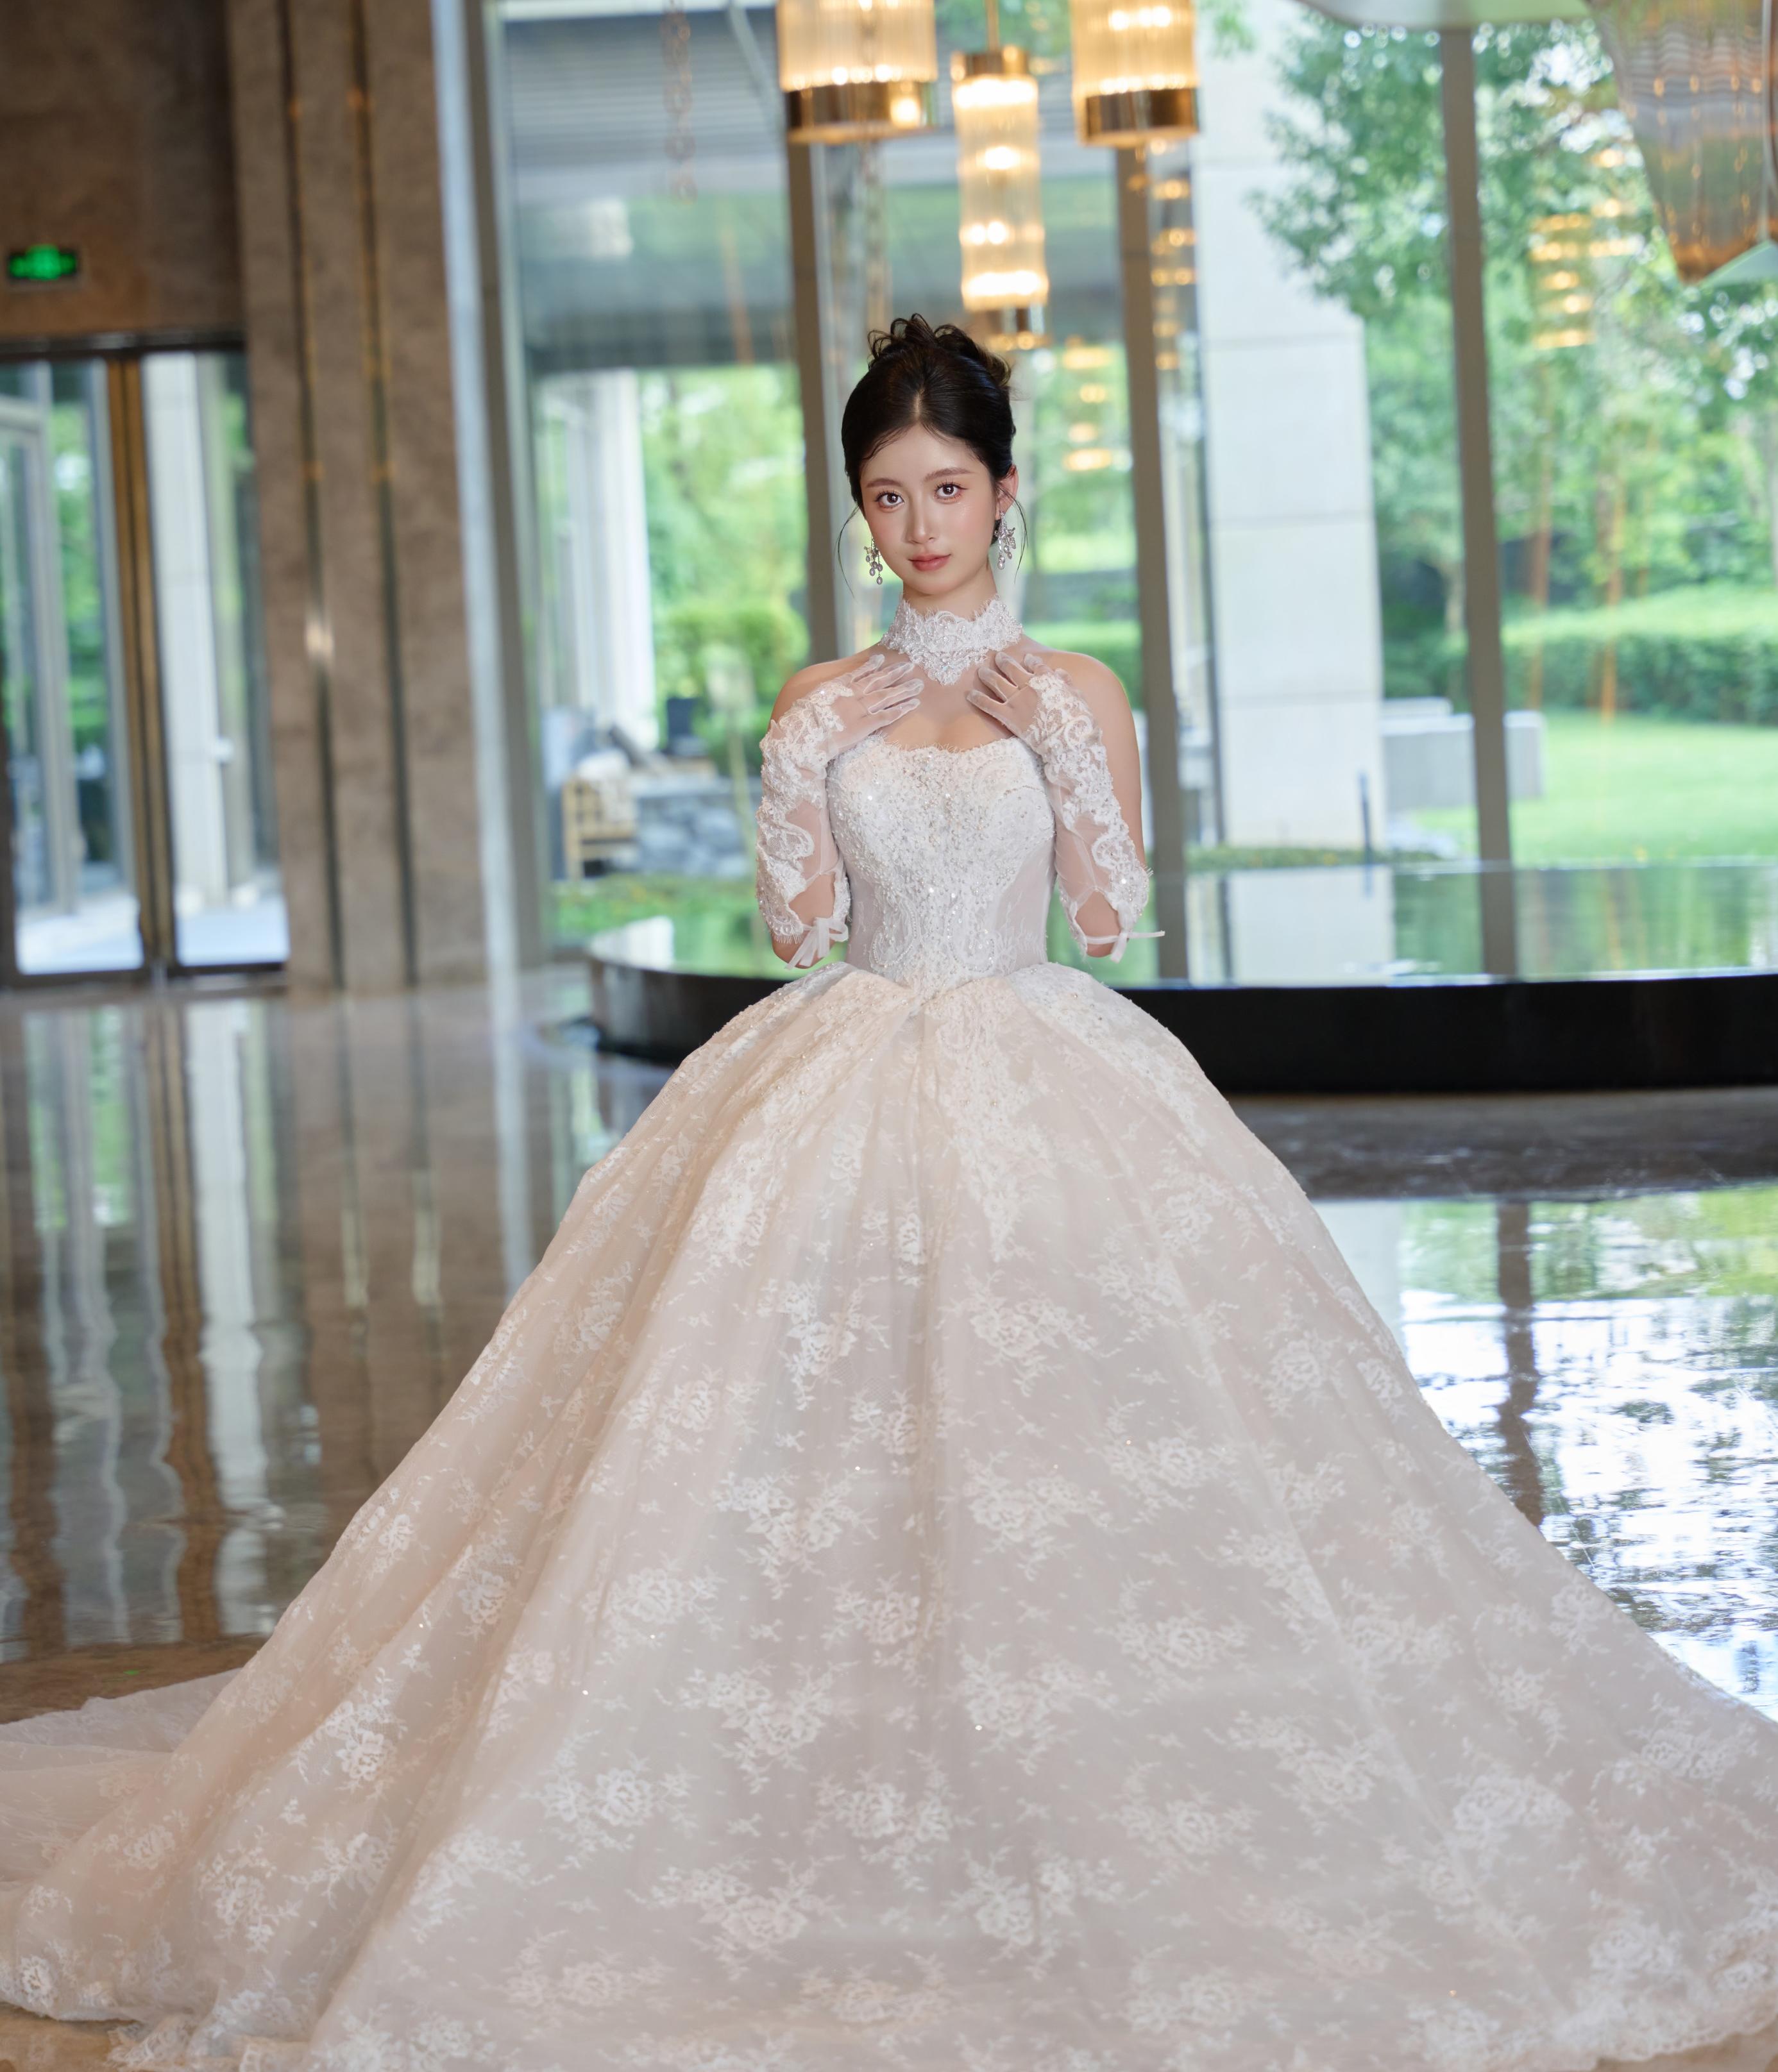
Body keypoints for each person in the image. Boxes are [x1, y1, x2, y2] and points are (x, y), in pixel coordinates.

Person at [2, 315, 1775, 2072]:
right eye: (885, 495)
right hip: (843, 1065)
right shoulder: (819, 699)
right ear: (861, 512)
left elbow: (1109, 919)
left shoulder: (1073, 688)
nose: (919, 525)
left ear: (1003, 491)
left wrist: (1058, 747)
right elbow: (796, 929)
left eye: (945, 487)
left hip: (1038, 1064)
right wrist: (796, 765)